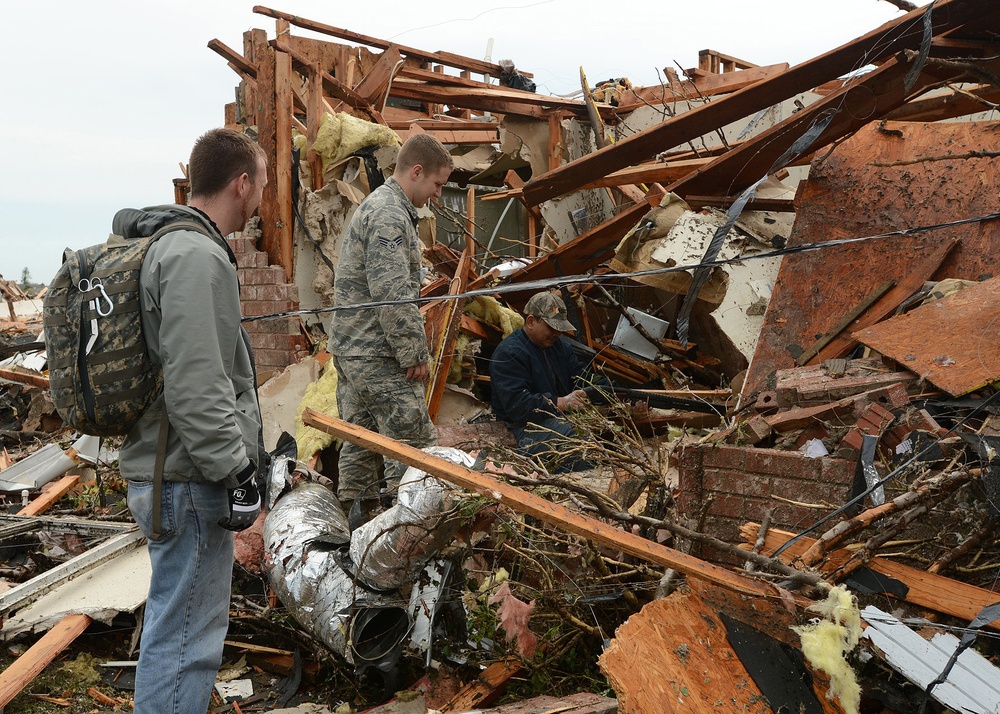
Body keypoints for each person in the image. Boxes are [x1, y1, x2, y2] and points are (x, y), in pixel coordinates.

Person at [115, 128, 267, 714]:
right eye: (259, 186)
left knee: (173, 627)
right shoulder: (197, 257)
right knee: (186, 643)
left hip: (168, 470)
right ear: (242, 182)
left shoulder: (171, 245)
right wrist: (239, 473)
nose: (258, 202)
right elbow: (198, 392)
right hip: (186, 479)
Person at [329, 133, 454, 518]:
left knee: (362, 444)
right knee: (414, 447)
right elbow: (393, 291)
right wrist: (413, 353)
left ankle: (353, 533)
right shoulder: (389, 214)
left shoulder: (379, 206)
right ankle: (410, 540)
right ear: (416, 171)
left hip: (352, 349)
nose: (436, 195)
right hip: (375, 352)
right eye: (436, 184)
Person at [490, 290, 608, 473]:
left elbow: (583, 377)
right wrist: (561, 402)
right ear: (531, 322)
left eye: (560, 328)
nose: (557, 333)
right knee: (574, 435)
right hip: (522, 431)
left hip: (555, 421)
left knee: (603, 430)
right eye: (552, 327)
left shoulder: (560, 347)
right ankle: (579, 485)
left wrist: (608, 391)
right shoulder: (509, 353)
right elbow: (518, 406)